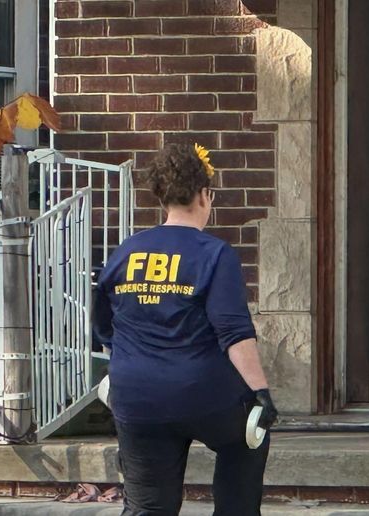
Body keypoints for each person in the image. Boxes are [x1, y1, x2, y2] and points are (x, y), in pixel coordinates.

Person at [94, 143, 278, 516]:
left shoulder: (125, 252)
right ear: (204, 195)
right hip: (203, 394)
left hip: (135, 396)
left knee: (148, 506)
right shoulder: (214, 254)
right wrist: (261, 393)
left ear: (162, 197)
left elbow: (103, 324)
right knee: (249, 438)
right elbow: (234, 333)